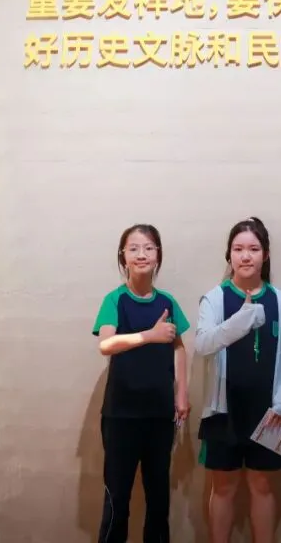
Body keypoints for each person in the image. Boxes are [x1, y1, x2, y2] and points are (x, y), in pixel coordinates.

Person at [193, 216, 281, 543]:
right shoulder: (214, 298)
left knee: (263, 486)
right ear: (228, 255)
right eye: (238, 249)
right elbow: (203, 344)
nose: (245, 256)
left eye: (254, 249)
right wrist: (241, 321)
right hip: (223, 411)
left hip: (271, 413)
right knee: (223, 488)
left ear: (265, 255)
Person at [92, 223, 190, 543]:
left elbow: (179, 348)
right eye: (133, 248)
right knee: (117, 499)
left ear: (158, 255)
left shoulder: (168, 302)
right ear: (123, 256)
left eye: (148, 248)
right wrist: (149, 335)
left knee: (158, 499)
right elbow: (106, 344)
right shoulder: (115, 300)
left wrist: (182, 394)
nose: (141, 254)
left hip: (159, 416)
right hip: (120, 416)